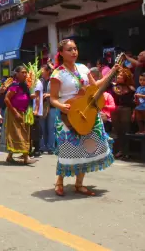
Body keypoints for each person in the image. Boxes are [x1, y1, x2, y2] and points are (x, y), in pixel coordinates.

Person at [50, 39, 118, 197]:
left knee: (88, 147)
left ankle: (79, 184)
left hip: (87, 113)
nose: (73, 52)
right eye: (69, 49)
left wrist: (112, 71)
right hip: (68, 115)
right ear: (61, 53)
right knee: (68, 150)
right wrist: (61, 106)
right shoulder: (57, 74)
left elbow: (95, 87)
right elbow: (53, 98)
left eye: (75, 49)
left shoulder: (83, 68)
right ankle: (59, 182)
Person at [4, 66, 37, 165]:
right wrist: (15, 112)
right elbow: (6, 99)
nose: (25, 74)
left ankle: (10, 157)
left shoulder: (25, 85)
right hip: (15, 113)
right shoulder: (14, 85)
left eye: (25, 72)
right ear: (17, 74)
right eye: (22, 72)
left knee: (23, 134)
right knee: (19, 134)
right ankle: (26, 158)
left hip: (24, 113)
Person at [111, 68, 135, 158]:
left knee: (126, 130)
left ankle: (126, 151)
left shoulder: (131, 88)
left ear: (126, 77)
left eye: (121, 75)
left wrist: (133, 112)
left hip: (126, 110)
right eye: (118, 75)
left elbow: (133, 103)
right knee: (118, 131)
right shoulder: (114, 86)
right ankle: (120, 150)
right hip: (116, 110)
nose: (118, 77)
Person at [90, 67, 116, 133]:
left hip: (105, 118)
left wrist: (104, 106)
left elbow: (113, 107)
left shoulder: (107, 95)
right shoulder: (89, 94)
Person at [39, 65, 56, 154]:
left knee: (51, 128)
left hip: (52, 106)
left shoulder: (53, 80)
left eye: (43, 70)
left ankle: (51, 147)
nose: (41, 71)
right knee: (42, 128)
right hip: (43, 107)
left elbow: (59, 93)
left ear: (47, 71)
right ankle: (42, 146)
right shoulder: (40, 81)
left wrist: (49, 95)